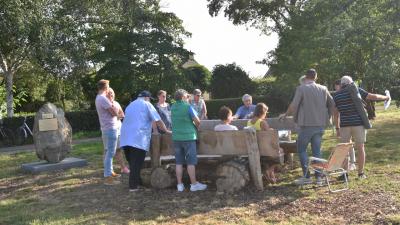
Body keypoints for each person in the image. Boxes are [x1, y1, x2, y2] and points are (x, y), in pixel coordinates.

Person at [279, 69, 335, 185]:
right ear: (316, 77)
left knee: (301, 149)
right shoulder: (323, 88)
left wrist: (293, 118)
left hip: (306, 125)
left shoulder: (301, 88)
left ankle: (307, 177)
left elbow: (294, 105)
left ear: (306, 77)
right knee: (317, 151)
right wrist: (327, 117)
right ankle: (319, 178)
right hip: (320, 125)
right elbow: (332, 104)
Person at [333, 75, 390, 180]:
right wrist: (386, 97)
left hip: (344, 126)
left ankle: (345, 174)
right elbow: (373, 97)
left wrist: (337, 128)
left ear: (341, 84)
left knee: (344, 150)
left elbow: (336, 114)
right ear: (351, 83)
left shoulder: (336, 95)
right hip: (358, 124)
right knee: (360, 148)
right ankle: (360, 174)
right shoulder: (356, 90)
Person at [119, 90, 171, 192]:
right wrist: (166, 130)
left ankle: (137, 183)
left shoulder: (130, 105)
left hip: (125, 138)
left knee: (132, 163)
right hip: (138, 138)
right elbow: (158, 120)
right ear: (147, 98)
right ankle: (133, 187)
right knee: (137, 164)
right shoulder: (147, 104)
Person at [171, 89, 207, 192]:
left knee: (179, 162)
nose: (188, 98)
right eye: (187, 97)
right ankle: (194, 184)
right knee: (190, 162)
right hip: (189, 137)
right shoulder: (188, 107)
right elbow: (197, 121)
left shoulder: (173, 107)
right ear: (183, 97)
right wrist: (196, 126)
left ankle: (180, 185)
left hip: (176, 137)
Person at [95, 79, 121, 185]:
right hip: (110, 129)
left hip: (106, 129)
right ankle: (107, 177)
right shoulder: (103, 99)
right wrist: (112, 102)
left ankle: (110, 172)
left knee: (108, 151)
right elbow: (115, 113)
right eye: (108, 86)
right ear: (105, 87)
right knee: (110, 153)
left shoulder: (98, 98)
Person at [246, 103, 277, 183]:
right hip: (264, 149)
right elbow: (269, 136)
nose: (266, 115)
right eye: (266, 113)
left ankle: (269, 171)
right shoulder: (262, 122)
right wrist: (271, 130)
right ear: (262, 112)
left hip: (253, 148)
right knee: (280, 151)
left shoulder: (249, 122)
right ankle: (269, 170)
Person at [334, 79, 356, 171]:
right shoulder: (338, 95)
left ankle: (351, 163)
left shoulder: (346, 94)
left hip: (350, 122)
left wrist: (337, 127)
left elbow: (336, 114)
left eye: (337, 87)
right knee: (348, 143)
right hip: (345, 123)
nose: (336, 90)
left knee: (347, 144)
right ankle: (350, 163)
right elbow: (336, 113)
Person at [106, 88, 129, 174]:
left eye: (112, 93)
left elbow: (122, 114)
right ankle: (108, 170)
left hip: (118, 128)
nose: (111, 95)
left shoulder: (116, 103)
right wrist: (116, 115)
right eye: (108, 93)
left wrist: (117, 115)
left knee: (119, 149)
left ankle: (123, 167)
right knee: (109, 150)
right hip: (109, 129)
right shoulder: (105, 103)